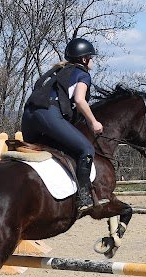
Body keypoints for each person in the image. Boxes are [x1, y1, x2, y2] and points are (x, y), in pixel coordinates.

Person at [21, 37, 103, 212]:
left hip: (28, 118)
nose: (92, 60)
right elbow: (80, 100)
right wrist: (93, 122)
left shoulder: (58, 71)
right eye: (91, 57)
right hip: (48, 115)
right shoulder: (82, 74)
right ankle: (84, 197)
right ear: (84, 59)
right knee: (86, 149)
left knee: (54, 149)